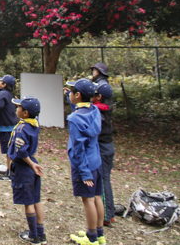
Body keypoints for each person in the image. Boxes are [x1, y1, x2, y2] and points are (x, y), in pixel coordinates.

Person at [65, 79, 105, 245]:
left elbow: (78, 148)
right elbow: (80, 107)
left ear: (78, 95)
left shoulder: (74, 119)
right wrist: (69, 95)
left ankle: (91, 238)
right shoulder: (94, 110)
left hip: (85, 166)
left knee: (87, 200)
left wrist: (83, 171)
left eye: (72, 93)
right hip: (96, 162)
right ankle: (99, 234)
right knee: (97, 196)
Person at [8, 96, 46, 245]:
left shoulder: (21, 129)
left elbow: (21, 152)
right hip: (32, 163)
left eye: (19, 107)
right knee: (36, 200)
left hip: (25, 166)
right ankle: (40, 233)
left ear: (25, 113)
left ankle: (32, 235)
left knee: (28, 202)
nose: (17, 109)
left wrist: (31, 165)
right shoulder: (34, 124)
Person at [92, 81, 116, 227]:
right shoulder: (103, 107)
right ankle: (108, 213)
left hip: (103, 148)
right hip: (105, 146)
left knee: (103, 179)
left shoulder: (100, 111)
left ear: (99, 97)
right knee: (103, 178)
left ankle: (107, 215)